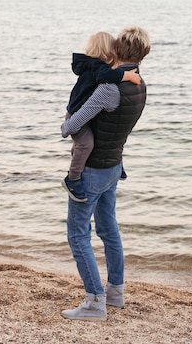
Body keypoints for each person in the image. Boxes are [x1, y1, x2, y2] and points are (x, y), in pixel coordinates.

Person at [60, 26, 150, 322]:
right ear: (144, 53)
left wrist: (67, 121)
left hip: (93, 171)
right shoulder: (140, 85)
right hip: (114, 166)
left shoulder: (108, 89)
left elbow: (73, 127)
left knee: (77, 234)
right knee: (109, 230)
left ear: (117, 50)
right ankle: (115, 293)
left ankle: (94, 302)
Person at [62, 31, 141, 202]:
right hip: (76, 113)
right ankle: (72, 178)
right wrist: (127, 75)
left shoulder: (95, 66)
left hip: (84, 113)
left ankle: (116, 163)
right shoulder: (98, 68)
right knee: (86, 143)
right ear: (108, 51)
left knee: (109, 130)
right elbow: (107, 76)